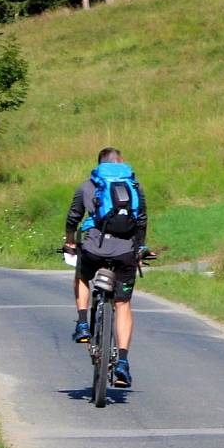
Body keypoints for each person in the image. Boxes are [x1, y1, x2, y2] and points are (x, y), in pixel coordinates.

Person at [64, 147, 147, 388]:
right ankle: (122, 361)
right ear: (121, 163)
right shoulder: (134, 186)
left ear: (99, 164)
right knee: (122, 304)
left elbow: (73, 217)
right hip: (124, 252)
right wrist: (139, 249)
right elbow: (141, 221)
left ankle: (81, 323)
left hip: (93, 248)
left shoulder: (88, 185)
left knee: (82, 275)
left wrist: (70, 241)